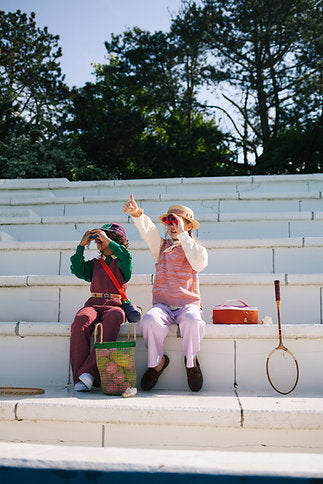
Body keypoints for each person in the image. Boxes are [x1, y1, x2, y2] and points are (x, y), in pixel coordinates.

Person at [123, 195, 208, 392]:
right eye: (170, 221)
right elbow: (148, 231)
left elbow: (198, 263)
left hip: (188, 305)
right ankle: (157, 363)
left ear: (188, 225)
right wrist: (137, 213)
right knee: (149, 320)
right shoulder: (162, 247)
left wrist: (183, 236)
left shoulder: (197, 249)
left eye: (177, 221)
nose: (172, 225)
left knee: (193, 321)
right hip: (163, 306)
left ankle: (191, 361)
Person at [70, 223, 132, 392]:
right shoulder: (95, 264)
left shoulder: (123, 262)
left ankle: (88, 373)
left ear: (115, 240)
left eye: (103, 239)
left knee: (114, 319)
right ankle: (79, 378)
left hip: (115, 305)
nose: (99, 242)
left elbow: (125, 255)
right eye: (98, 239)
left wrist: (107, 240)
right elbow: (77, 269)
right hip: (93, 303)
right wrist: (81, 246)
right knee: (80, 320)